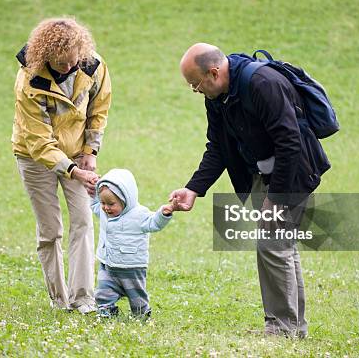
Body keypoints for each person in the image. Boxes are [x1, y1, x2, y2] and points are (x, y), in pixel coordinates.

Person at [169, 43, 323, 338]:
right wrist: (193, 189)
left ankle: (281, 329)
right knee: (280, 248)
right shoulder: (217, 96)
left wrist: (276, 199)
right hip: (259, 173)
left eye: (195, 84)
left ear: (214, 72)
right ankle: (295, 329)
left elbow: (290, 143)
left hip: (292, 173)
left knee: (272, 244)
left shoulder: (263, 84)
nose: (195, 90)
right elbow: (218, 147)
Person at [12, 17, 112, 314]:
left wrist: (90, 152)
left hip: (78, 155)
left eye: (72, 62)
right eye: (61, 65)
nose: (68, 68)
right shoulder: (30, 79)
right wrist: (73, 170)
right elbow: (38, 140)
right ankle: (60, 299)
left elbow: (99, 109)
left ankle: (83, 298)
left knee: (83, 221)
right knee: (50, 230)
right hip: (34, 158)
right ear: (46, 58)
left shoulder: (92, 65)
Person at [91, 168, 175, 318]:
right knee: (102, 293)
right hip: (108, 264)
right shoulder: (104, 212)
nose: (106, 207)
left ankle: (141, 314)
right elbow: (95, 205)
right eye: (103, 202)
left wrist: (163, 214)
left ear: (126, 199)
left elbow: (153, 223)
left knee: (136, 296)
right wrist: (92, 191)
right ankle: (106, 311)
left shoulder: (139, 214)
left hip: (132, 267)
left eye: (111, 204)